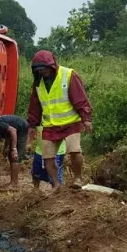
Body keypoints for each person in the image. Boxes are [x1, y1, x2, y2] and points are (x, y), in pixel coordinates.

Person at [28, 50, 92, 189]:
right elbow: (35, 106)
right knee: (48, 157)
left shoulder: (69, 75)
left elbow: (80, 98)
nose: (42, 72)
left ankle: (78, 178)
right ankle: (56, 184)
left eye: (44, 69)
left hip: (71, 122)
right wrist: (32, 125)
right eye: (38, 70)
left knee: (75, 151)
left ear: (51, 66)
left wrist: (86, 118)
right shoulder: (38, 83)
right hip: (50, 125)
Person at [0, 114, 30, 189]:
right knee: (11, 155)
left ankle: (14, 183)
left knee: (14, 156)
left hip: (21, 127)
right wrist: (6, 147)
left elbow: (13, 131)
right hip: (17, 127)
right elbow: (8, 133)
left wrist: (14, 149)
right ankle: (13, 181)